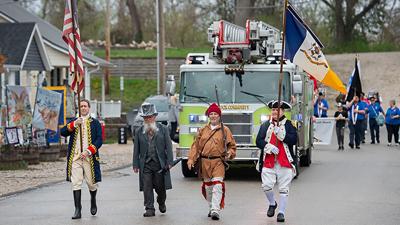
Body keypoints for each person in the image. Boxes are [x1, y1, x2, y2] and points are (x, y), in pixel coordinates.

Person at [187, 103, 236, 221]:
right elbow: (195, 146)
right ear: (209, 116)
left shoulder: (225, 130)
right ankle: (211, 207)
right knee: (208, 188)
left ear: (219, 116)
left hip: (218, 161)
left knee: (218, 185)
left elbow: (232, 146)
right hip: (204, 162)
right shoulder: (202, 130)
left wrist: (230, 153)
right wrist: (191, 159)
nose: (213, 116)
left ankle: (215, 210)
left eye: (215, 114)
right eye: (211, 114)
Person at [60, 99, 103, 220]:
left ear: (89, 108)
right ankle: (78, 209)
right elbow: (62, 132)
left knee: (91, 183)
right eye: (81, 106)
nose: (83, 108)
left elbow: (99, 140)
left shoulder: (95, 123)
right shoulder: (74, 121)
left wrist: (89, 150)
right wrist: (74, 125)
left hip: (89, 157)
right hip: (75, 157)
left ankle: (93, 199)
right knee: (76, 182)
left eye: (85, 106)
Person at [256, 100, 297, 223]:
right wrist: (268, 147)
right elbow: (258, 141)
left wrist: (282, 135)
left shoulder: (289, 125)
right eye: (273, 110)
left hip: (284, 162)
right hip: (269, 161)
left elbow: (294, 140)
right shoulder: (265, 125)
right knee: (267, 186)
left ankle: (281, 213)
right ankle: (272, 203)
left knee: (284, 189)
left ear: (282, 111)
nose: (274, 112)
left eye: (277, 110)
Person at [132, 102, 174, 217]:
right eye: (145, 117)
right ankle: (149, 208)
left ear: (155, 116)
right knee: (147, 186)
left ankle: (161, 201)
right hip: (145, 165)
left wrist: (170, 162)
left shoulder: (163, 129)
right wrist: (135, 164)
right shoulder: (139, 131)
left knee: (160, 187)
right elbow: (136, 149)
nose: (147, 119)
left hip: (160, 164)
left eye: (149, 117)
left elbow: (168, 147)